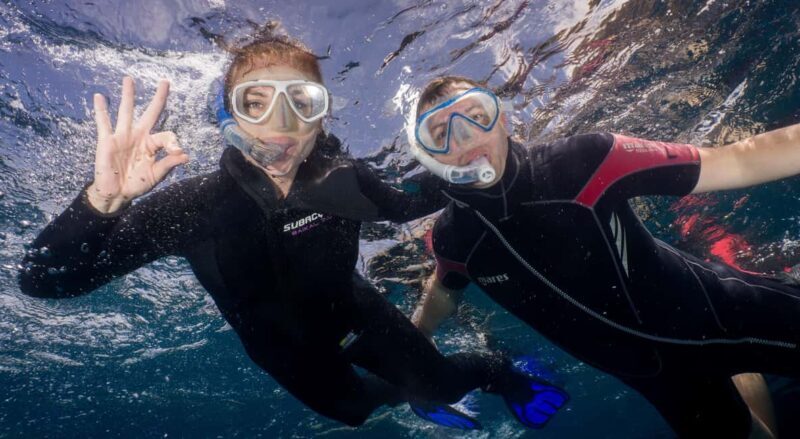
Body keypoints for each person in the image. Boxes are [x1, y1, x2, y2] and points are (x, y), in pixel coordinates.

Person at [17, 33, 568, 430]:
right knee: (355, 412)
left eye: (300, 103)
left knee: (443, 384)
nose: (280, 126)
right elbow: (43, 283)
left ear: (320, 117)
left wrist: (473, 150)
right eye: (255, 103)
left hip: (355, 314)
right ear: (227, 119)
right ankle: (410, 391)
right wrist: (101, 203)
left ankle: (500, 373)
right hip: (284, 350)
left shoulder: (346, 181)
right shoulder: (194, 206)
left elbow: (410, 203)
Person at [409, 75, 800, 438]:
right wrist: (415, 344)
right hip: (661, 381)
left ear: (504, 122)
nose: (464, 139)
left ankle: (742, 365)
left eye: (477, 116)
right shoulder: (454, 239)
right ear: (429, 157)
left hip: (729, 311)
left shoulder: (582, 160)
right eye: (442, 134)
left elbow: (735, 160)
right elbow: (443, 288)